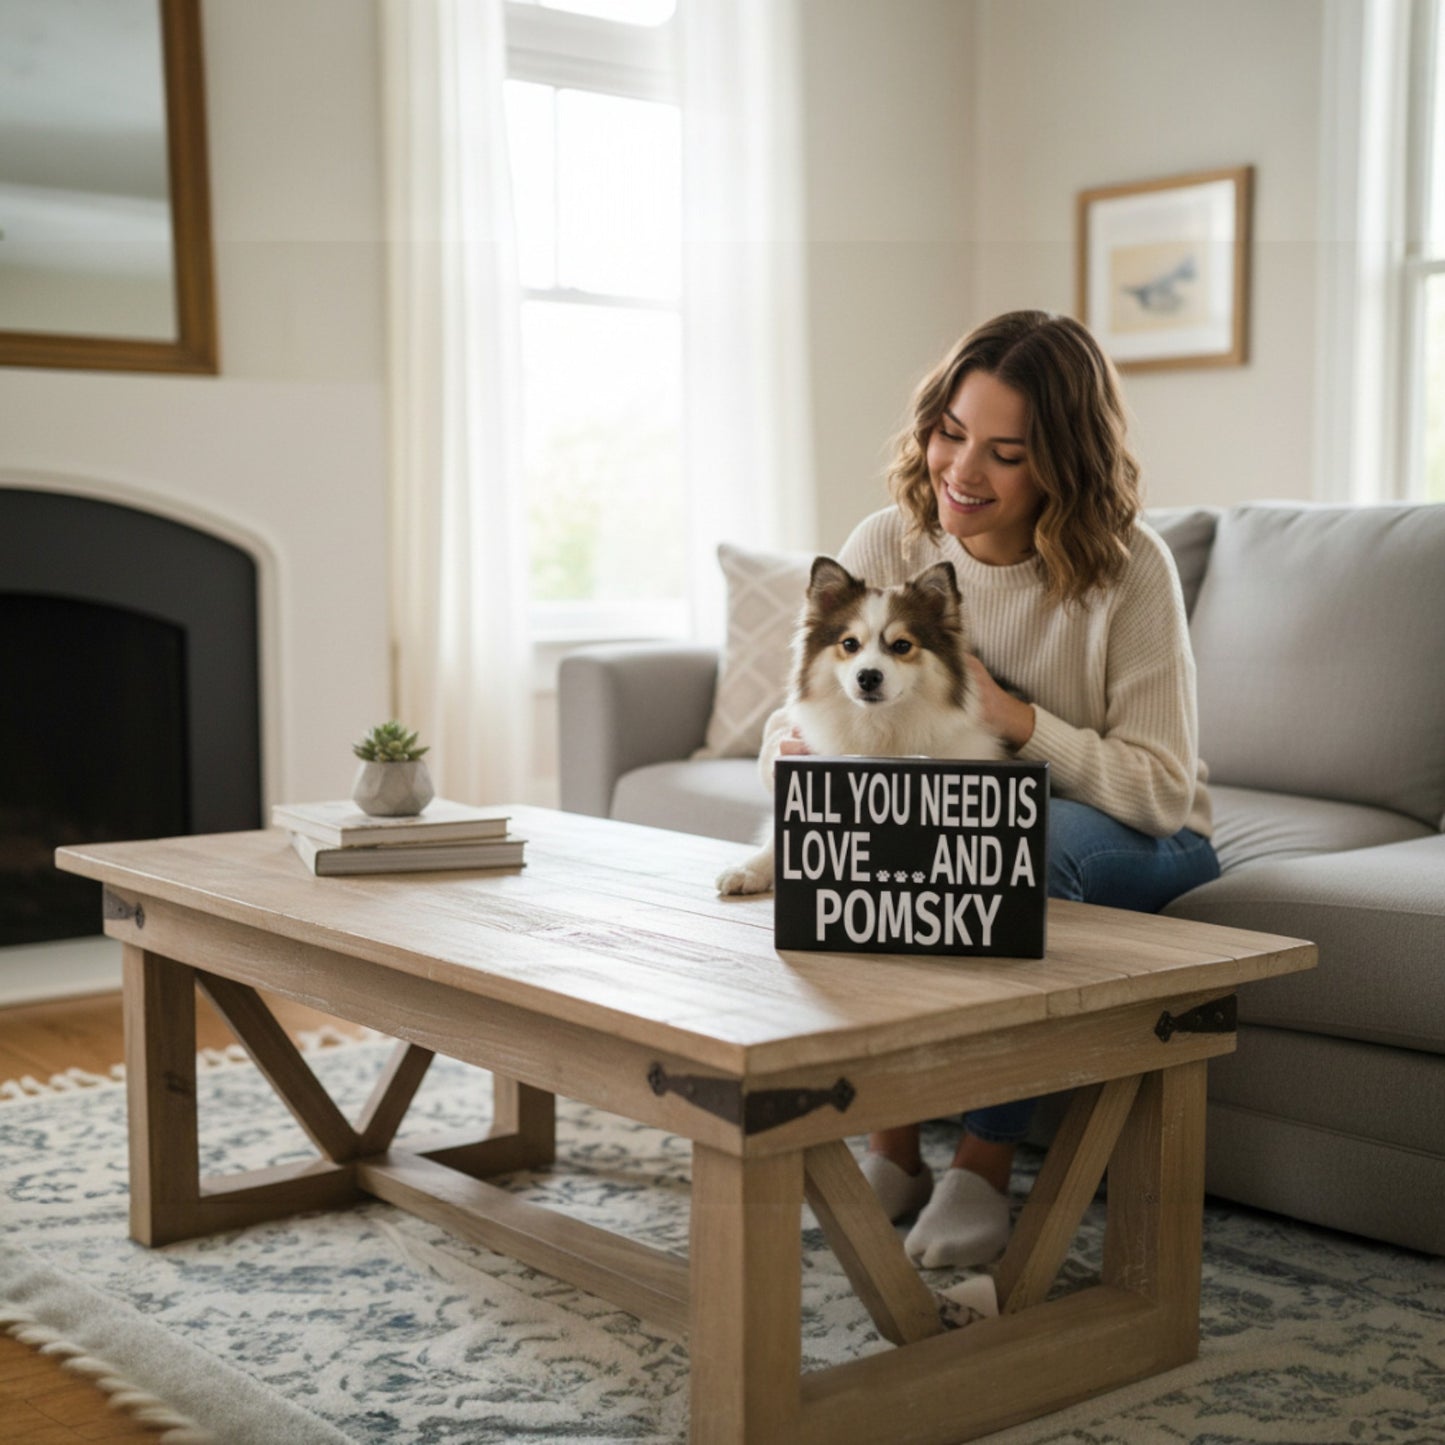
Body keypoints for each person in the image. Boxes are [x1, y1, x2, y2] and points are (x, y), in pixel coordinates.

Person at [760, 309, 1220, 1269]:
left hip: (1134, 834)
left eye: (1005, 452)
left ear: (1061, 461)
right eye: (950, 433)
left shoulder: (1128, 569)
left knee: (1010, 843)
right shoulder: (889, 538)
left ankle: (981, 1161)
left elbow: (1163, 789)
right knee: (871, 837)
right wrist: (801, 754)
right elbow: (794, 710)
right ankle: (891, 1145)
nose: (961, 471)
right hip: (957, 810)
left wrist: (1017, 721)